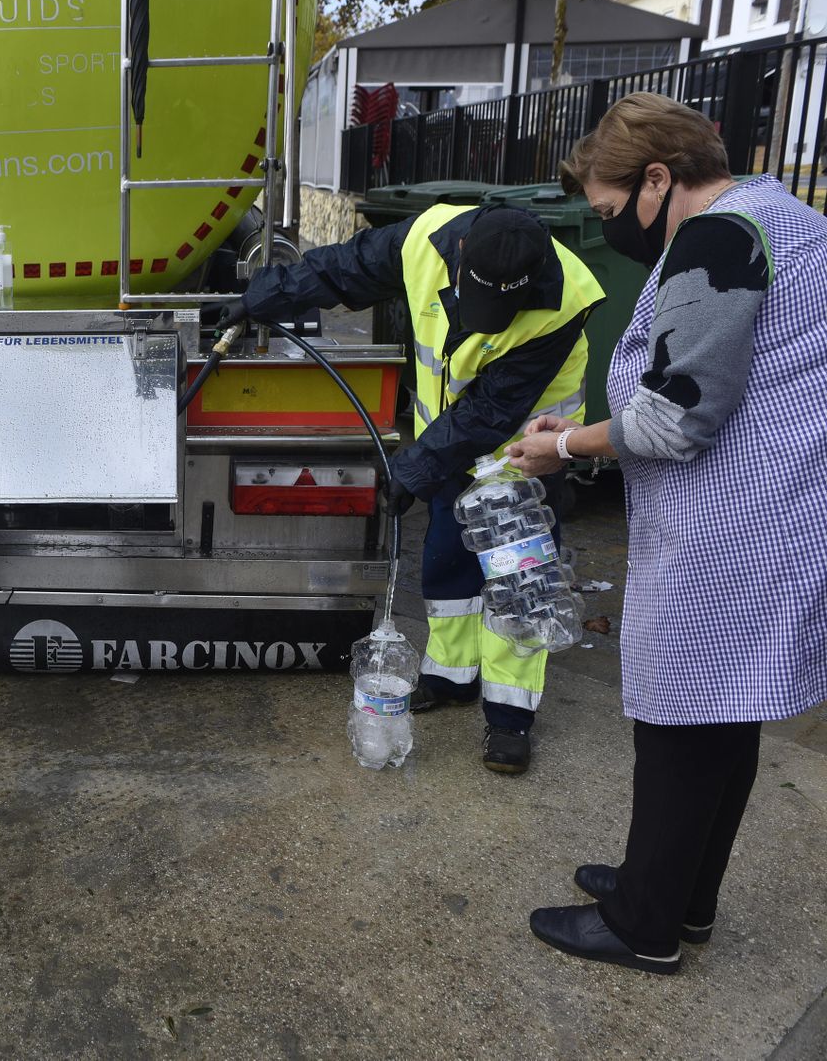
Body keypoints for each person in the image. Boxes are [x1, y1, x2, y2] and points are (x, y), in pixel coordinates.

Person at [511, 92, 827, 974]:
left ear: (659, 178)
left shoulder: (718, 238)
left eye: (613, 210)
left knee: (682, 718)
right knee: (725, 721)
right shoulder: (788, 215)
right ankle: (679, 895)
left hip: (728, 525)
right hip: (779, 509)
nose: (613, 228)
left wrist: (562, 445)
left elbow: (675, 419)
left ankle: (642, 925)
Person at [225, 204, 603, 774]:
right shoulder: (424, 238)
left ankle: (509, 719)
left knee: (516, 587)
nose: (488, 321)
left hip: (523, 461)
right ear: (457, 259)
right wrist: (260, 298)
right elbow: (339, 270)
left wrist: (415, 467)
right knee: (447, 565)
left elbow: (489, 411)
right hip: (446, 442)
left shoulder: (565, 300)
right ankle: (451, 678)